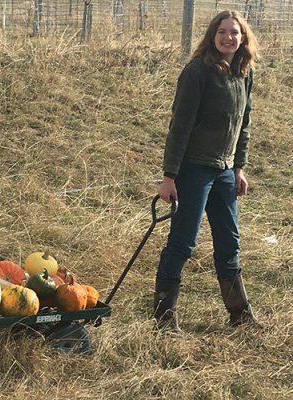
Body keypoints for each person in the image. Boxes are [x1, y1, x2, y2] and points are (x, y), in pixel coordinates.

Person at [154, 10, 259, 331]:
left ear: (243, 38)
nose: (229, 37)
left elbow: (244, 124)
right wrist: (169, 176)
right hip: (193, 171)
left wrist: (239, 167)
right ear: (212, 36)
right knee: (183, 243)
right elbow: (180, 127)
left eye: (235, 32)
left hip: (225, 172)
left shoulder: (243, 72)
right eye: (223, 32)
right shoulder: (197, 72)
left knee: (229, 243)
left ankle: (240, 316)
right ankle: (163, 319)